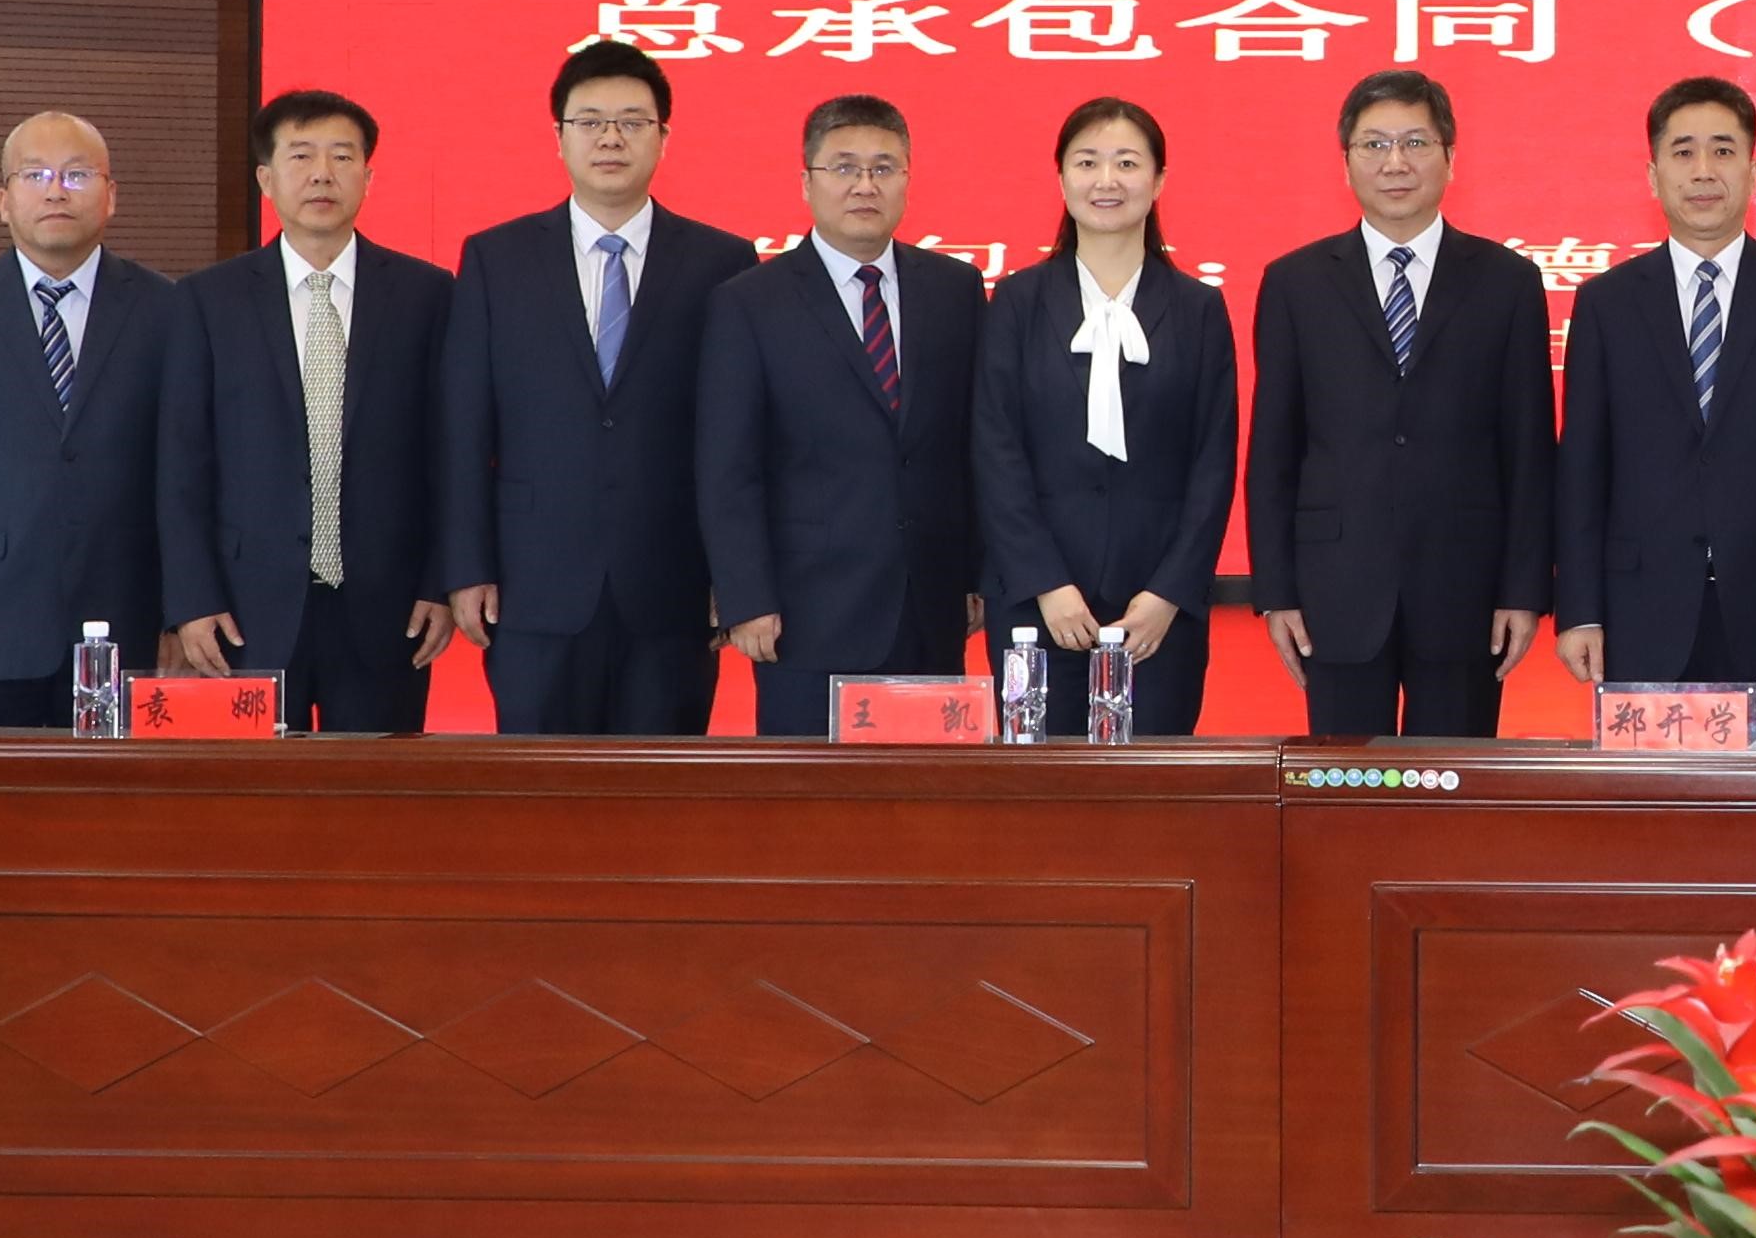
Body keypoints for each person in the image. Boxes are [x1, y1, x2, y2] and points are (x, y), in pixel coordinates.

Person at [1240, 65, 1557, 738]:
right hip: (1335, 591)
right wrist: (1275, 591)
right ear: (1346, 162)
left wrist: (1523, 590)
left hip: (1466, 591)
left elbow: (1529, 449)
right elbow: (1274, 450)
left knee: (1456, 787)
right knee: (1344, 785)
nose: (1395, 163)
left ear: (1449, 157)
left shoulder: (1508, 282)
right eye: (1375, 145)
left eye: (1415, 142)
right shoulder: (1296, 283)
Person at [442, 38, 738, 736]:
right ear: (559, 137)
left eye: (633, 122)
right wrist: (466, 565)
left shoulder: (722, 262)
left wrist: (734, 574)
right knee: (538, 789)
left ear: (663, 138)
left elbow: (733, 435)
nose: (611, 138)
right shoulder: (496, 258)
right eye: (591, 121)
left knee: (664, 785)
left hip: (673, 585)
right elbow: (463, 426)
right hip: (532, 585)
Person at [1553, 75, 1756, 731]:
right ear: (1653, 174)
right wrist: (1580, 610)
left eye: (1723, 151)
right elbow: (1582, 468)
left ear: (1754, 171)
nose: (1703, 171)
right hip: (1640, 614)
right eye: (1683, 151)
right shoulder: (1607, 303)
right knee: (1652, 796)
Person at [162, 87, 453, 733]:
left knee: (379, 789)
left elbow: (448, 454)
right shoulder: (208, 301)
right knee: (253, 791)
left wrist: (440, 582)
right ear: (266, 179)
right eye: (301, 156)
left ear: (368, 177)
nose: (323, 173)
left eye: (342, 156)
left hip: (390, 609)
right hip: (244, 611)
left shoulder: (427, 296)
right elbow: (181, 463)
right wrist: (192, 600)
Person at [700, 91, 989, 734]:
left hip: (930, 604)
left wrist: (975, 572)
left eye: (884, 168)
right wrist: (746, 596)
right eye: (844, 167)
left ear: (907, 179)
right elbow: (728, 465)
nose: (865, 185)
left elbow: (971, 445)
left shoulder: (955, 290)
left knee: (927, 787)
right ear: (807, 182)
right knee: (809, 792)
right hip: (803, 614)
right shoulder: (750, 303)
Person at [0, 113, 175, 730]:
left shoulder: (167, 309)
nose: (56, 191)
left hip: (128, 618)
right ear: (3, 200)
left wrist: (181, 611)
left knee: (117, 792)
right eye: (36, 176)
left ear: (111, 196)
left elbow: (185, 473)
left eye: (77, 175)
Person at [977, 93, 1239, 737]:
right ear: (1062, 177)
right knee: (1038, 786)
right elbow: (995, 449)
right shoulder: (1016, 301)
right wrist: (1046, 584)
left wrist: (1170, 592)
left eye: (1127, 163)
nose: (1107, 181)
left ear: (1159, 180)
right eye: (1087, 161)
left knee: (1153, 786)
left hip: (1158, 615)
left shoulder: (1198, 309)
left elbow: (1213, 461)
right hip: (1037, 609)